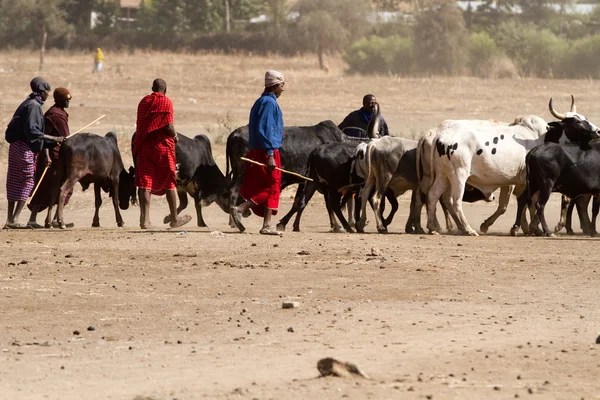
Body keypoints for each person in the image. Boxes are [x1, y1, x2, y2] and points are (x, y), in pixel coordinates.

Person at [4, 77, 65, 229]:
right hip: (24, 148)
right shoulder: (34, 106)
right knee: (28, 181)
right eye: (47, 92)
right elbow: (32, 131)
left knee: (14, 181)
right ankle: (15, 219)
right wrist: (54, 138)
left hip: (14, 148)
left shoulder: (26, 103)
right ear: (41, 92)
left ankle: (10, 219)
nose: (48, 95)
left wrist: (50, 142)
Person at [230, 70, 285, 236]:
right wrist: (269, 154)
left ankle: (267, 225)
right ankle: (240, 208)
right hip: (266, 151)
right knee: (273, 187)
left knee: (264, 186)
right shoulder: (269, 103)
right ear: (275, 86)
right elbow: (266, 129)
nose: (283, 89)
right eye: (282, 85)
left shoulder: (260, 101)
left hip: (257, 150)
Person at [133, 78, 191, 229]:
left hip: (145, 146)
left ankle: (145, 221)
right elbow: (168, 126)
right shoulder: (166, 102)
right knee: (169, 181)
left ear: (152, 88)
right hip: (162, 148)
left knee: (145, 182)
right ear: (165, 90)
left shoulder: (143, 102)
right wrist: (175, 136)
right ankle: (174, 219)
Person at [27, 88, 73, 229]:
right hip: (50, 157)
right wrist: (46, 156)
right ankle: (32, 219)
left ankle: (54, 218)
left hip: (60, 156)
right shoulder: (53, 115)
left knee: (62, 188)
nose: (68, 103)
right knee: (44, 187)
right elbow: (43, 137)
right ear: (59, 100)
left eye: (69, 100)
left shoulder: (61, 113)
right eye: (66, 100)